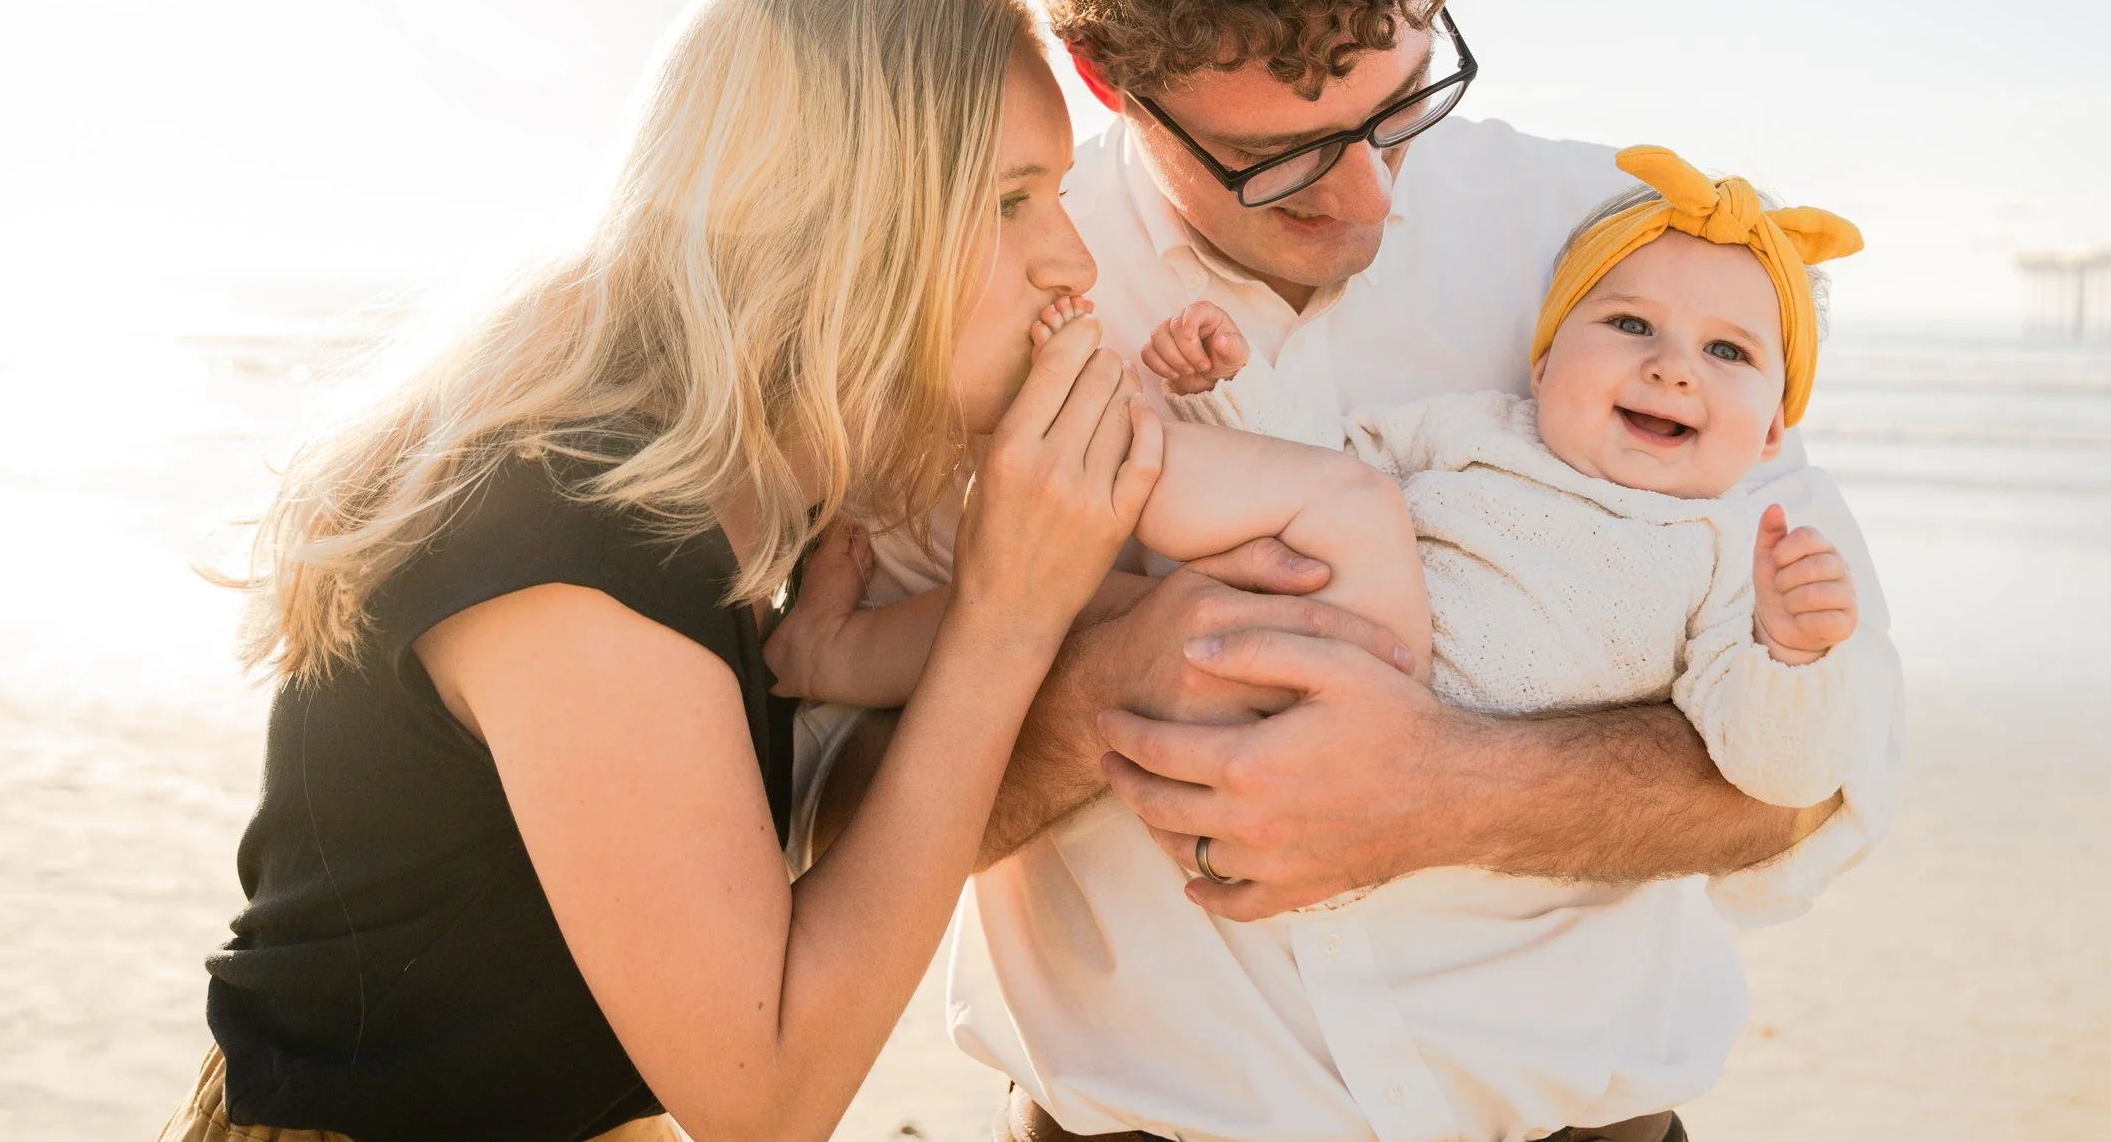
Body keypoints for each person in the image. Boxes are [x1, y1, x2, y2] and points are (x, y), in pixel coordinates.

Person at [794, 0, 1906, 1137]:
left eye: (1399, 106)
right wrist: (1078, 699)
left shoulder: (1626, 257)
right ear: (1107, 80)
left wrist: (1452, 788)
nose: (1369, 194)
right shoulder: (961, 286)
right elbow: (825, 821)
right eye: (1283, 156)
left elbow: (1832, 768)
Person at [158, 0, 1166, 1142]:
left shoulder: (746, 479)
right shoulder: (567, 527)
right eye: (1009, 201)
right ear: (835, 222)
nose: (1073, 258)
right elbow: (765, 1092)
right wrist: (1006, 619)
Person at [772, 147, 1882, 1139]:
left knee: (1298, 516)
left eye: (1730, 353)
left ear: (1777, 425)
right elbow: (1303, 459)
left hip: (1391, 699)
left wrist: (1794, 652)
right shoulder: (1476, 432)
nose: (1673, 367)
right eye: (1629, 326)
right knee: (1069, 595)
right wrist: (1227, 390)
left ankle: (1112, 443)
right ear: (1542, 361)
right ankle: (855, 633)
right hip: (1319, 632)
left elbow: (1790, 778)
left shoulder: (1740, 547)